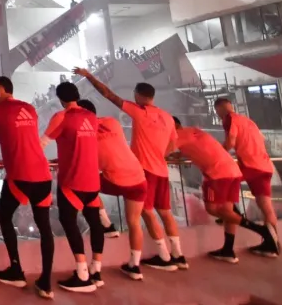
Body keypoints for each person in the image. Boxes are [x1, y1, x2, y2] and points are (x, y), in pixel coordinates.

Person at [73, 68, 184, 272]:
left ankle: (165, 257)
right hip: (161, 170)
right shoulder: (168, 118)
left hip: (142, 170)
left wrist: (89, 76)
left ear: (139, 95)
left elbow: (108, 94)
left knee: (146, 215)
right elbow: (171, 147)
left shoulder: (139, 112)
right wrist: (159, 155)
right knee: (165, 213)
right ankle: (178, 255)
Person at [0, 76, 55, 299]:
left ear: (0, 90)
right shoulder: (29, 109)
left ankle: (16, 270)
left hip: (20, 175)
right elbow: (22, 140)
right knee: (45, 227)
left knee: (4, 214)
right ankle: (46, 282)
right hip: (43, 174)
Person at [172, 117, 277, 263]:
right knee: (228, 212)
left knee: (213, 209)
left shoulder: (179, 135)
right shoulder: (194, 133)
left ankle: (261, 230)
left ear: (174, 126)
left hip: (216, 175)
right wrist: (179, 155)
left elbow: (161, 151)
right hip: (232, 171)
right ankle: (228, 250)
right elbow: (196, 149)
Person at [41, 83, 101, 293]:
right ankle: (96, 271)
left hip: (72, 181)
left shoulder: (62, 117)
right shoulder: (92, 117)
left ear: (60, 99)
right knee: (95, 222)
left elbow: (42, 144)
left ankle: (82, 274)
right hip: (93, 180)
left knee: (68, 222)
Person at [80, 100, 148, 280]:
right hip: (139, 178)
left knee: (85, 184)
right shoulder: (112, 122)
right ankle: (134, 265)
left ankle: (106, 224)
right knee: (134, 223)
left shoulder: (85, 134)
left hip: (116, 180)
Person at [216, 97, 279, 257]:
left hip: (250, 165)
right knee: (266, 205)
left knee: (220, 180)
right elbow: (261, 140)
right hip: (265, 165)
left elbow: (230, 141)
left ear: (219, 109)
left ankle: (229, 215)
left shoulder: (229, 119)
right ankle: (272, 244)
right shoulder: (248, 121)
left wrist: (216, 153)